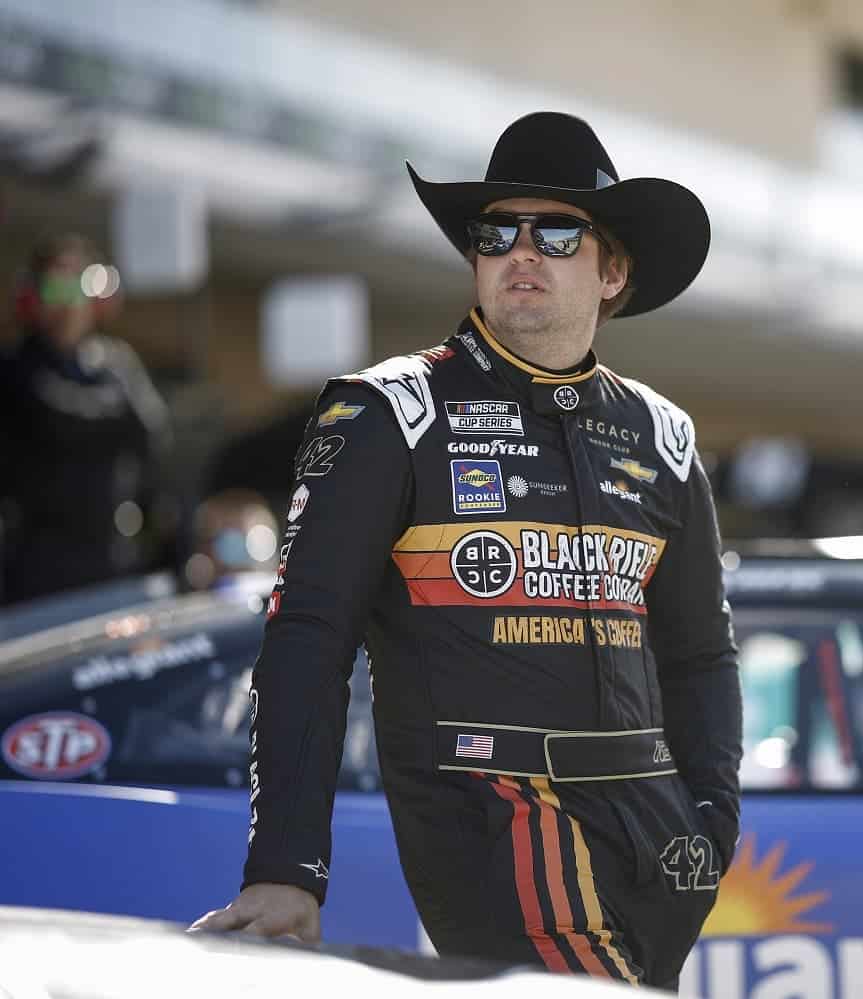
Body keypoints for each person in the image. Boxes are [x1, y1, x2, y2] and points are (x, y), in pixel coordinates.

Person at [191, 112, 742, 990]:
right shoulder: (389, 414)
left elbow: (702, 656)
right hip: (500, 825)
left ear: (614, 271)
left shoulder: (665, 436)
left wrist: (713, 821)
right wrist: (286, 867)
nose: (522, 249)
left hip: (663, 842)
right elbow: (306, 636)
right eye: (497, 231)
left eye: (557, 230)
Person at [0, 233, 171, 604]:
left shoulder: (117, 363)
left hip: (110, 556)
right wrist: (111, 414)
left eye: (78, 288)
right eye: (55, 290)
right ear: (33, 298)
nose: (67, 305)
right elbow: (57, 419)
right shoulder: (14, 367)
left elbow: (151, 430)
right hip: (36, 564)